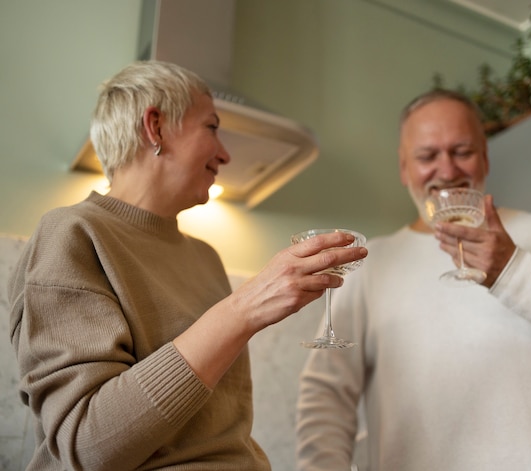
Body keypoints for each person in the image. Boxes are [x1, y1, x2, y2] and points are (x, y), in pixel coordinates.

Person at [7, 60, 367, 471]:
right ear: (155, 127)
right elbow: (89, 445)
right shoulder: (72, 233)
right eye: (211, 127)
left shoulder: (206, 257)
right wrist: (243, 309)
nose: (225, 153)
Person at [295, 89, 531, 470]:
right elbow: (326, 399)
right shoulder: (369, 265)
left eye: (462, 151)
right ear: (404, 168)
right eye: (427, 156)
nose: (448, 170)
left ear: (485, 157)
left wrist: (512, 271)